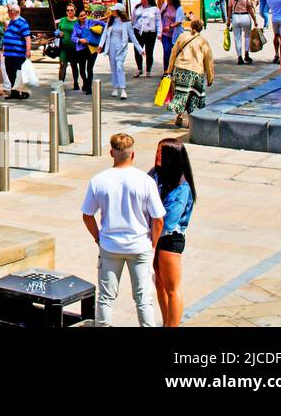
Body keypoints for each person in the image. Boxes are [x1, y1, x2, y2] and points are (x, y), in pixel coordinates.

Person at [81, 133, 165, 327]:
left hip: (110, 246)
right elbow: (158, 218)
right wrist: (152, 242)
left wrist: (98, 239)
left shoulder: (98, 180)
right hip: (139, 245)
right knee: (144, 298)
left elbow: (87, 215)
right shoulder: (145, 181)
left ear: (111, 153)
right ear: (132, 154)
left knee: (106, 297)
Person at [150, 138, 197, 328]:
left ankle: (173, 325)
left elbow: (168, 221)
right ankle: (167, 322)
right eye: (157, 151)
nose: (157, 155)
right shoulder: (156, 174)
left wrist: (152, 243)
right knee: (159, 284)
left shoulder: (182, 187)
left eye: (161, 152)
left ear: (172, 157)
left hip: (170, 238)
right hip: (155, 233)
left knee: (172, 287)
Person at [167, 18, 214, 129]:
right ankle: (189, 122)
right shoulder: (203, 41)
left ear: (191, 25)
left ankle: (179, 116)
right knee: (192, 96)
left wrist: (169, 71)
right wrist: (210, 77)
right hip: (196, 72)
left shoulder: (182, 36)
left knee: (181, 94)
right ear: (201, 28)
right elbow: (209, 60)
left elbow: (173, 54)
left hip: (181, 69)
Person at [99, 8, 141, 101]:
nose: (112, 12)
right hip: (111, 47)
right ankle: (115, 87)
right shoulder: (111, 21)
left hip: (121, 48)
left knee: (119, 66)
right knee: (113, 67)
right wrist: (100, 45)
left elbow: (133, 37)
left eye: (114, 10)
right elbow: (105, 34)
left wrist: (140, 49)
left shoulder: (126, 23)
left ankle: (123, 89)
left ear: (119, 11)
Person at [0, 3, 33, 100]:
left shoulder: (22, 22)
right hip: (9, 53)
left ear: (13, 12)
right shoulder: (11, 22)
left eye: (9, 11)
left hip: (18, 53)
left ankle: (24, 92)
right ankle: (14, 92)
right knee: (10, 72)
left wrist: (28, 50)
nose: (7, 12)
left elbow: (27, 37)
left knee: (19, 74)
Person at [131, 0, 161, 78]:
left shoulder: (155, 9)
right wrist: (131, 30)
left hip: (150, 32)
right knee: (137, 51)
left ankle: (148, 70)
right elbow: (132, 19)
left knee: (149, 52)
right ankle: (139, 69)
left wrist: (159, 33)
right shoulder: (137, 8)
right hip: (138, 31)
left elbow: (158, 22)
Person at [229, 0, 258, 66]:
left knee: (237, 38)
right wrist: (255, 20)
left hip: (235, 17)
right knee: (247, 36)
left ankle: (239, 57)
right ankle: (246, 54)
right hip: (245, 16)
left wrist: (228, 20)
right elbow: (250, 9)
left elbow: (229, 9)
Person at [56, 2, 80, 89]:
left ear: (75, 11)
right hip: (63, 47)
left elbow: (82, 32)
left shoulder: (78, 21)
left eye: (71, 10)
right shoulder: (62, 20)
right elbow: (57, 31)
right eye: (67, 10)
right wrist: (59, 34)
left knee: (74, 65)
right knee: (62, 65)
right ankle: (60, 84)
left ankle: (76, 83)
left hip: (74, 47)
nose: (69, 12)